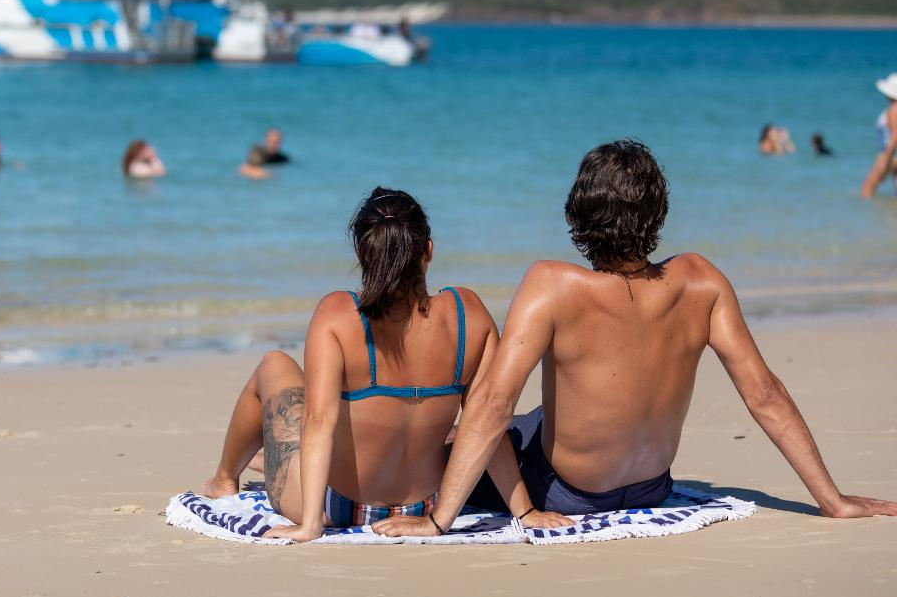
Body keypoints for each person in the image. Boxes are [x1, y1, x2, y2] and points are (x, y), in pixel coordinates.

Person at [373, 140, 897, 539]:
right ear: (658, 214)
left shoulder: (551, 285)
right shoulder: (702, 281)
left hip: (568, 491)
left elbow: (491, 398)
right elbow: (765, 393)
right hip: (653, 484)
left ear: (578, 215)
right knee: (521, 423)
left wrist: (440, 521)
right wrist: (832, 499)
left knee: (446, 441)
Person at [199, 188, 571, 541]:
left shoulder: (338, 313)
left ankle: (224, 479)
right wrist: (524, 511)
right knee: (460, 426)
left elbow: (319, 420)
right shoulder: (467, 313)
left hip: (338, 506)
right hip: (423, 505)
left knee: (274, 364)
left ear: (363, 253)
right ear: (428, 249)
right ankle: (267, 465)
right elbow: (489, 419)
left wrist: (310, 524)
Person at [861, 72, 897, 198]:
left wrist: (885, 160)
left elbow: (894, 137)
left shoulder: (893, 109)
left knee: (868, 187)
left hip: (890, 153)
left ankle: (865, 214)